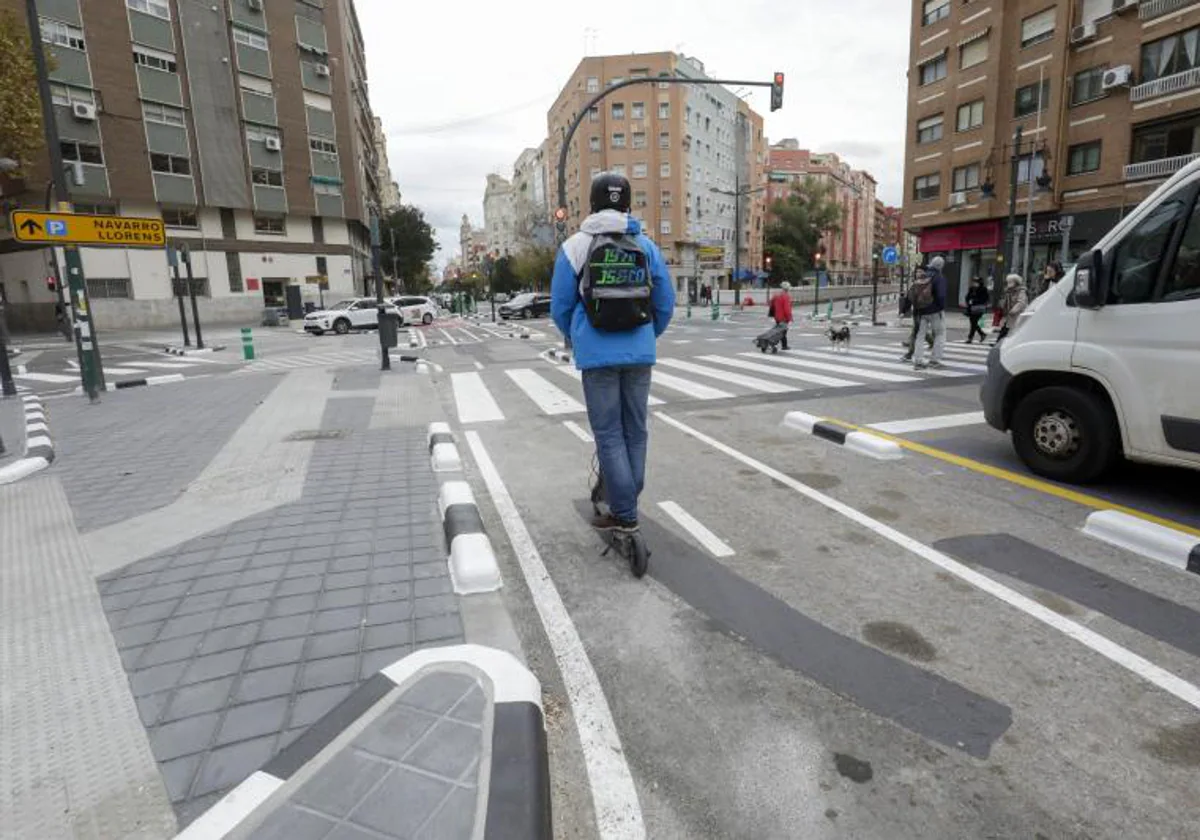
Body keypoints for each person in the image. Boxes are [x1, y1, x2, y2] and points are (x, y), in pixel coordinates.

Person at [551, 172, 675, 532]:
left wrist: (576, 335)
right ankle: (628, 494)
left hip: (596, 354)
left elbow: (560, 305)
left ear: (591, 203)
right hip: (639, 353)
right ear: (628, 203)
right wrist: (648, 335)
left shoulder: (574, 246)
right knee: (636, 431)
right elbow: (665, 302)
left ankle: (624, 510)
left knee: (608, 434)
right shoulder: (647, 246)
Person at [911, 255, 947, 370]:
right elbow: (941, 296)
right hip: (935, 311)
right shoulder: (939, 278)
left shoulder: (923, 276)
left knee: (920, 336)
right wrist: (941, 308)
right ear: (941, 266)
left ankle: (918, 361)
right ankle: (934, 360)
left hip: (921, 311)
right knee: (940, 334)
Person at [995, 273, 1028, 344]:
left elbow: (1021, 303)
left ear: (1016, 282)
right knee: (1005, 329)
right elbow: (1005, 302)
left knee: (1013, 331)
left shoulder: (1021, 291)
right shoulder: (1008, 291)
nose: (1008, 283)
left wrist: (1013, 311)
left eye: (1010, 282)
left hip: (1017, 315)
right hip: (1009, 316)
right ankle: (998, 343)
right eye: (1008, 281)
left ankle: (1000, 343)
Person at [964, 276, 990, 344]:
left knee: (973, 323)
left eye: (976, 282)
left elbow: (985, 299)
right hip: (971, 308)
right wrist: (968, 301)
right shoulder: (972, 288)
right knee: (973, 323)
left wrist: (974, 301)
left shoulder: (983, 289)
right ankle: (982, 334)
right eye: (974, 281)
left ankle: (970, 338)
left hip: (979, 308)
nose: (974, 283)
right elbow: (967, 296)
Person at [767, 282, 793, 350]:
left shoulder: (776, 295)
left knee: (780, 331)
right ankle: (775, 344)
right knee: (782, 332)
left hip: (777, 317)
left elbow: (770, 303)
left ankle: (783, 345)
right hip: (783, 318)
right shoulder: (786, 296)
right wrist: (789, 317)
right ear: (787, 289)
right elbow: (787, 309)